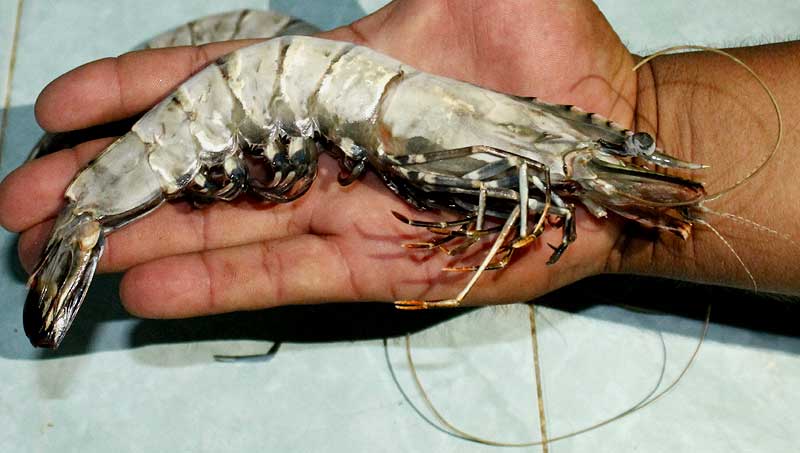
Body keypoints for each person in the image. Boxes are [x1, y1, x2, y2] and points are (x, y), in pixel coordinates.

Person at [0, 0, 797, 321]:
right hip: (275, 93)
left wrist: (629, 126)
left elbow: (532, 148)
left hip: (323, 97)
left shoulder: (546, 139)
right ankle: (93, 209)